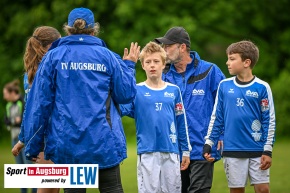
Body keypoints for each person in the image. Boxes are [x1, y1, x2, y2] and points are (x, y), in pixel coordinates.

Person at [22, 7, 140, 193]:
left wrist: (33, 146)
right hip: (103, 143)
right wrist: (128, 66)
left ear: (68, 30)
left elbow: (39, 106)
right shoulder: (107, 56)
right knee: (112, 188)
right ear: (94, 31)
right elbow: (126, 94)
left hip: (69, 146)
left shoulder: (53, 57)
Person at [154, 26, 226, 193]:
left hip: (203, 148)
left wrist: (220, 135)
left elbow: (224, 106)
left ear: (182, 47)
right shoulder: (162, 74)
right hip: (173, 150)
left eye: (168, 46)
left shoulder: (210, 71)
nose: (164, 51)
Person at [203, 40, 276, 193]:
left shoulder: (262, 87)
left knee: (263, 190)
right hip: (232, 150)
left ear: (246, 62)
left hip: (257, 149)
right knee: (237, 191)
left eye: (232, 58)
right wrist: (209, 142)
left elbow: (269, 119)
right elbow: (217, 117)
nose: (227, 62)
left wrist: (267, 150)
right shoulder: (224, 86)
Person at [120, 41, 191, 193]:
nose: (152, 65)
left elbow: (181, 122)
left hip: (171, 151)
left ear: (164, 64)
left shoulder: (174, 91)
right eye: (148, 62)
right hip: (147, 151)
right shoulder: (136, 90)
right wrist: (127, 68)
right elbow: (121, 107)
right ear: (143, 65)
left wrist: (185, 150)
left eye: (156, 61)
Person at [12, 26, 61, 193]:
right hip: (48, 140)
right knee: (48, 188)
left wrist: (23, 139)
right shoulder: (49, 71)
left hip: (40, 138)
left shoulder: (30, 73)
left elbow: (28, 111)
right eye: (58, 45)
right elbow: (38, 111)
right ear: (48, 47)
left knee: (52, 188)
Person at [3, 79, 37, 193]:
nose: (4, 97)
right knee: (20, 168)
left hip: (24, 139)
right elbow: (6, 121)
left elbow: (23, 120)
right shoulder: (8, 105)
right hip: (14, 139)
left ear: (12, 93)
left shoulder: (23, 101)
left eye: (5, 94)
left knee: (29, 168)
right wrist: (14, 121)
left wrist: (15, 122)